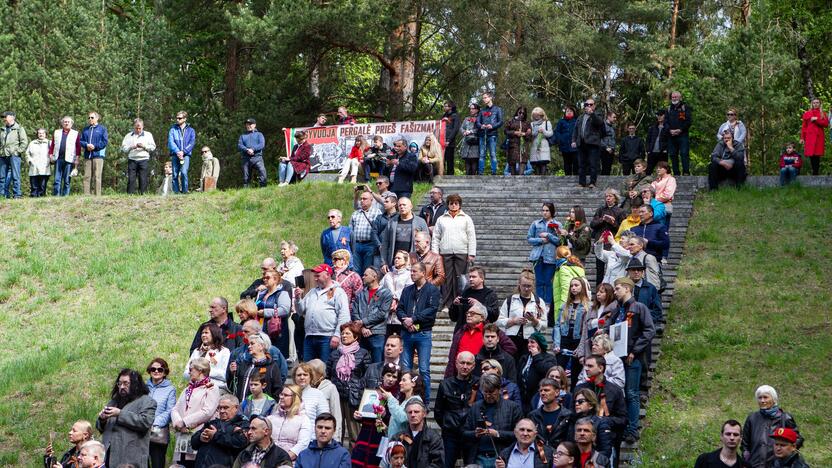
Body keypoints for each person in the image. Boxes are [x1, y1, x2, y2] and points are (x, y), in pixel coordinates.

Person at [603, 278, 655, 444]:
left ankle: (632, 429)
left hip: (633, 358)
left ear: (627, 289)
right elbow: (609, 328)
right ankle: (622, 426)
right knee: (620, 392)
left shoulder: (639, 307)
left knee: (631, 393)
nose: (615, 292)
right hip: (617, 357)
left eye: (617, 289)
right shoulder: (618, 310)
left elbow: (649, 330)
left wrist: (635, 350)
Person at [397, 262, 441, 402]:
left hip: (423, 333)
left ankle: (425, 400)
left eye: (415, 271)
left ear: (423, 273)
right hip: (407, 332)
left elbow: (432, 309)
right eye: (411, 271)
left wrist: (414, 319)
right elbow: (400, 309)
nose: (412, 273)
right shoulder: (407, 290)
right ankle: (405, 399)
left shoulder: (432, 290)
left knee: (423, 369)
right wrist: (405, 321)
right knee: (405, 368)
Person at [96, 369, 157, 468]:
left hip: (131, 459)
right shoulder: (114, 401)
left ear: (135, 385)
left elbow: (145, 422)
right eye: (119, 384)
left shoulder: (147, 401)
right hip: (108, 456)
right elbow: (100, 427)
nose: (122, 387)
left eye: (125, 383)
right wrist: (102, 419)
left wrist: (120, 413)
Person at [463, 373, 523, 466]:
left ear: (499, 390)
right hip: (478, 457)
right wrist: (475, 433)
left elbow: (520, 435)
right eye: (485, 392)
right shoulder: (475, 407)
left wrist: (497, 434)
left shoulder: (513, 407)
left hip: (501, 458)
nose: (487, 395)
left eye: (491, 392)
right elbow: (464, 432)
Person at [326, 321, 371, 442]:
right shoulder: (335, 354)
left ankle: (354, 459)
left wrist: (359, 391)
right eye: (342, 333)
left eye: (347, 333)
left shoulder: (363, 353)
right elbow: (328, 374)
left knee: (354, 433)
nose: (343, 336)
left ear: (355, 336)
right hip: (337, 395)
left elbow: (366, 376)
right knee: (336, 431)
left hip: (354, 396)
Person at [171, 357, 221, 466]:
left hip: (198, 435)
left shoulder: (212, 389)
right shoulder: (188, 389)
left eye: (191, 369)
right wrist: (178, 422)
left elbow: (207, 411)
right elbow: (175, 408)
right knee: (180, 464)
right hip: (182, 436)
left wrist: (185, 422)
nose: (189, 372)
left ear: (200, 370)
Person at [432, 193, 477, 310]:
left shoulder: (466, 218)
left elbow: (471, 236)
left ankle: (459, 302)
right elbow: (436, 237)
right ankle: (447, 304)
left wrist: (471, 253)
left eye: (456, 203)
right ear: (448, 205)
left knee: (460, 278)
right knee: (446, 279)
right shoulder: (441, 219)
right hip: (445, 253)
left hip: (461, 252)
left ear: (459, 205)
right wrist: (435, 254)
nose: (453, 205)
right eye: (451, 203)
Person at [741, 385, 802, 467]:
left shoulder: (785, 418)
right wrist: (746, 457)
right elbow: (745, 443)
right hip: (754, 464)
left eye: (765, 397)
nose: (762, 400)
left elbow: (797, 439)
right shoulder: (752, 418)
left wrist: (786, 456)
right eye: (760, 398)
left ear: (774, 399)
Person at [435, 351, 477, 468]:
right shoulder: (445, 384)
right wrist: (446, 424)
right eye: (462, 363)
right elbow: (438, 411)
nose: (465, 366)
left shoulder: (478, 384)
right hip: (450, 434)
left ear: (473, 366)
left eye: (468, 364)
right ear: (456, 364)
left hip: (471, 434)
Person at [497, 269, 546, 357]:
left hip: (530, 340)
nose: (526, 289)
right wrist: (514, 321)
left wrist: (534, 320)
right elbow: (499, 321)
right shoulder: (510, 300)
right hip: (511, 339)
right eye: (523, 286)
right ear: (519, 284)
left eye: (529, 286)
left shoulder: (539, 302)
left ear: (533, 285)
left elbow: (544, 325)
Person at [190, 394, 248, 468]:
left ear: (236, 408)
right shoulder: (212, 423)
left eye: (225, 407)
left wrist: (215, 435)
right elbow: (193, 443)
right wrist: (200, 438)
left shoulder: (243, 424)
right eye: (220, 408)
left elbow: (239, 442)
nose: (222, 411)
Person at [553, 277, 591, 387]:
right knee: (558, 371)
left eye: (576, 285)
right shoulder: (564, 305)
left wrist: (581, 347)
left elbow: (586, 329)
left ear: (582, 287)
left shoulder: (587, 306)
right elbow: (557, 325)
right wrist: (556, 343)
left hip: (578, 340)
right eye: (571, 285)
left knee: (576, 374)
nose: (573, 288)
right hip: (564, 340)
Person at [352, 266, 393, 363]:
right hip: (361, 333)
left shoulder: (386, 293)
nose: (363, 277)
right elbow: (355, 311)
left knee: (377, 363)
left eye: (365, 275)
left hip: (377, 333)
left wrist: (363, 322)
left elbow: (382, 313)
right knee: (360, 363)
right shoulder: (360, 294)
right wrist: (362, 328)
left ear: (374, 277)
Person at [228, 333, 283, 402]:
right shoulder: (244, 364)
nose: (249, 346)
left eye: (252, 344)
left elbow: (278, 390)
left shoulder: (272, 366)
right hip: (242, 407)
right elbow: (233, 387)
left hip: (261, 409)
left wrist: (270, 406)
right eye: (249, 344)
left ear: (261, 346)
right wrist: (232, 373)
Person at [388, 400, 444, 468]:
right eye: (410, 412)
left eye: (416, 412)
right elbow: (389, 461)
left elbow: (438, 464)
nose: (413, 415)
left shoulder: (434, 438)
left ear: (424, 414)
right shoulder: (397, 438)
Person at [266, 385, 312, 461]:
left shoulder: (304, 420)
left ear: (295, 398)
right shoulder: (270, 418)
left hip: (290, 463)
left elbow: (302, 445)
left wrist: (282, 460)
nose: (281, 397)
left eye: (286, 395)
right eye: (281, 394)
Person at [528, 203, 562, 307]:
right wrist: (541, 240)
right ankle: (538, 303)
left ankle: (547, 305)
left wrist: (549, 235)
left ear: (552, 212)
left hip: (551, 257)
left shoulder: (558, 224)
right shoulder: (536, 223)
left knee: (548, 282)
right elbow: (529, 238)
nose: (545, 212)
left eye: (547, 210)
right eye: (543, 210)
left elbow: (560, 241)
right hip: (538, 256)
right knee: (539, 281)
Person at [381, 197, 429, 271]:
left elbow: (427, 242)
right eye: (400, 205)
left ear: (411, 206)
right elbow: (385, 243)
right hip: (395, 262)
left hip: (413, 261)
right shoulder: (392, 222)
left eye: (404, 205)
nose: (402, 207)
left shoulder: (420, 222)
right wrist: (384, 262)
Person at [183, 323, 231, 393]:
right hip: (195, 388)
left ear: (214, 334)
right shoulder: (197, 351)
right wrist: (194, 373)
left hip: (216, 388)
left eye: (206, 333)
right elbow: (186, 373)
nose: (203, 335)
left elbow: (225, 374)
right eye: (202, 333)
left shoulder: (224, 351)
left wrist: (203, 372)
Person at [445, 303, 491, 375]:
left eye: (472, 313)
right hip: (459, 374)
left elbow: (509, 347)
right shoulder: (461, 331)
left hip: (480, 374)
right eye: (468, 313)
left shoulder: (490, 330)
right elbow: (452, 356)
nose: (469, 315)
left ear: (482, 317)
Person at [590, 189, 624, 286]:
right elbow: (592, 224)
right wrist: (603, 219)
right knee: (599, 269)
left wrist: (613, 223)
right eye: (606, 196)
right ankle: (598, 290)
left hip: (612, 244)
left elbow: (622, 229)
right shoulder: (600, 210)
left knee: (612, 268)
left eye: (610, 196)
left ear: (615, 198)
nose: (608, 198)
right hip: (600, 242)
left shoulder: (620, 211)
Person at [449, 266, 500, 331]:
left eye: (474, 277)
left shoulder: (490, 294)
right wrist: (454, 305)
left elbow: (494, 316)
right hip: (463, 331)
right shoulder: (464, 293)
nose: (470, 279)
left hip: (481, 332)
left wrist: (479, 305)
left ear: (482, 279)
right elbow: (454, 318)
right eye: (470, 277)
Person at [518, 333, 558, 412]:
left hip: (538, 397)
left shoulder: (549, 358)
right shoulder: (524, 358)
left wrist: (536, 356)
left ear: (539, 344)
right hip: (523, 399)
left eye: (532, 342)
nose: (529, 344)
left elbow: (546, 370)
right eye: (528, 342)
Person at [529, 378, 572, 449]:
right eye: (541, 391)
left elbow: (569, 441)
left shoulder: (567, 416)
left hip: (560, 455)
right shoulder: (533, 416)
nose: (542, 393)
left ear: (557, 392)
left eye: (546, 390)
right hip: (539, 456)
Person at [570, 99, 605, 188]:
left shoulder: (598, 114)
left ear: (594, 105)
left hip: (593, 143)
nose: (588, 106)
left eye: (591, 104)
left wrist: (592, 113)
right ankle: (582, 183)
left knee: (593, 164)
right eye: (586, 104)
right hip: (581, 144)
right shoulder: (580, 117)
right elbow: (575, 130)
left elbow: (599, 122)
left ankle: (592, 182)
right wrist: (574, 140)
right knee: (581, 164)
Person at [120, 118, 156, 194]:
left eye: (140, 128)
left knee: (143, 179)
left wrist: (144, 146)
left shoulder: (148, 135)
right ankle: (130, 194)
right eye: (136, 128)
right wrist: (131, 147)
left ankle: (143, 194)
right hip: (132, 159)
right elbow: (123, 148)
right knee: (131, 179)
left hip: (144, 159)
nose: (138, 130)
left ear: (143, 127)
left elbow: (153, 147)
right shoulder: (128, 136)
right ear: (134, 126)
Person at [380, 250, 413, 335]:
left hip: (402, 314)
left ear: (405, 261)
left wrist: (395, 299)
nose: (396, 260)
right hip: (387, 315)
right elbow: (380, 289)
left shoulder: (409, 275)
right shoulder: (388, 275)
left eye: (399, 258)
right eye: (395, 258)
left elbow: (409, 290)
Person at [552, 247, 586, 326]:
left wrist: (563, 311)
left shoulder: (563, 268)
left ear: (557, 256)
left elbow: (566, 289)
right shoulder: (578, 267)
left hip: (564, 308)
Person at [351, 190, 382, 274]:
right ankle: (357, 286)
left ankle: (366, 286)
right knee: (355, 270)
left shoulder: (377, 212)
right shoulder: (355, 213)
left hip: (370, 244)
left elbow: (379, 230)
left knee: (367, 269)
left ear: (371, 200)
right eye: (361, 199)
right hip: (356, 244)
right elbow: (350, 229)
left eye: (364, 199)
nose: (362, 200)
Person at [0, 111, 28, 199]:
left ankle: (17, 194)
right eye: (3, 117)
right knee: (2, 177)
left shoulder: (19, 128)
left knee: (16, 176)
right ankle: (2, 195)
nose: (4, 119)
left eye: (5, 117)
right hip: (3, 155)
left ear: (12, 117)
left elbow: (24, 142)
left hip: (14, 156)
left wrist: (17, 151)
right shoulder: (2, 129)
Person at [49, 117, 80, 197]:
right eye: (65, 122)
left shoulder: (75, 133)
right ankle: (56, 196)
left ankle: (65, 196)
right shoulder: (57, 132)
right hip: (58, 159)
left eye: (68, 122)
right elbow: (52, 145)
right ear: (62, 123)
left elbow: (78, 147)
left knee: (67, 180)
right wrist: (50, 155)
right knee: (57, 180)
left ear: (71, 124)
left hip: (69, 159)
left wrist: (77, 158)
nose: (66, 123)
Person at [626, 257, 663, 324]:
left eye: (639, 270)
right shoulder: (623, 288)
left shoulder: (651, 288)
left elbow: (657, 310)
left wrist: (648, 320)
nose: (636, 272)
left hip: (645, 324)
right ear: (628, 272)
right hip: (627, 323)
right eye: (633, 270)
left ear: (642, 272)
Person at [80, 111, 108, 196]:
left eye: (92, 117)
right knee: (87, 176)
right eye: (89, 118)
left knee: (97, 176)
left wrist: (94, 146)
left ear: (97, 118)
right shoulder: (85, 129)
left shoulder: (102, 129)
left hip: (98, 156)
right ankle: (86, 195)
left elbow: (104, 142)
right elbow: (80, 141)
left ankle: (97, 195)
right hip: (87, 156)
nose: (90, 119)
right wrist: (86, 145)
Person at [168, 111, 196, 194]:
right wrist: (177, 151)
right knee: (175, 174)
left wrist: (183, 152)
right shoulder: (173, 129)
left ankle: (185, 191)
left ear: (185, 119)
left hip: (186, 155)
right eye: (176, 118)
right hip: (175, 154)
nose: (177, 120)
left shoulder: (191, 130)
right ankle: (176, 192)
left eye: (179, 118)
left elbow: (192, 143)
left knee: (184, 172)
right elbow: (171, 142)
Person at [477, 91, 503, 175]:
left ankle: (494, 173)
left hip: (492, 135)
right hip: (482, 135)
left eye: (485, 97)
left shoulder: (497, 109)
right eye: (483, 98)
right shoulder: (482, 110)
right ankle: (480, 173)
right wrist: (481, 126)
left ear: (490, 97)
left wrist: (492, 126)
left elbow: (500, 121)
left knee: (493, 154)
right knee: (481, 155)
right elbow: (477, 122)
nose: (484, 99)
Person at [667, 91, 693, 175]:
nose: (674, 98)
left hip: (683, 135)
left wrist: (680, 130)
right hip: (671, 136)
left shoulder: (685, 107)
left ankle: (686, 172)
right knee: (673, 155)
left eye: (676, 97)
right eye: (673, 97)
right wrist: (670, 130)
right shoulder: (668, 108)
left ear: (680, 98)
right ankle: (676, 173)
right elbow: (665, 122)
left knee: (684, 153)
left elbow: (688, 121)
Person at [800, 97, 828, 175]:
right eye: (814, 103)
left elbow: (825, 124)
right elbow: (804, 127)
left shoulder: (823, 113)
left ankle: (816, 172)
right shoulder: (807, 113)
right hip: (809, 137)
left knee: (817, 155)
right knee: (811, 155)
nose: (815, 104)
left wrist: (816, 120)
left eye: (817, 103)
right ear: (812, 104)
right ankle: (814, 172)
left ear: (820, 104)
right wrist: (802, 137)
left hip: (819, 137)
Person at [237, 117, 267, 187]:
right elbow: (239, 145)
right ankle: (246, 192)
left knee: (262, 172)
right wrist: (247, 150)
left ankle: (263, 188)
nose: (248, 126)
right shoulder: (242, 136)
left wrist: (253, 149)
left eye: (250, 124)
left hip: (257, 157)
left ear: (254, 125)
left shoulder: (259, 134)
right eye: (247, 124)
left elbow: (262, 145)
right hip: (246, 158)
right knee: (246, 177)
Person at [505, 106, 532, 176]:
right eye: (520, 112)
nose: (521, 114)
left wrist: (526, 133)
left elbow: (529, 137)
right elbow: (506, 131)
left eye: (523, 113)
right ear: (517, 112)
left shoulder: (527, 123)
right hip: (513, 146)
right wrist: (514, 132)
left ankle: (521, 184)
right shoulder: (511, 121)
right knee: (512, 167)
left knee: (522, 170)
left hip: (523, 147)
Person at [528, 107, 554, 175]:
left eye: (538, 115)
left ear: (542, 115)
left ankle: (543, 180)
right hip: (534, 145)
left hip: (543, 144)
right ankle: (537, 181)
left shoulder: (546, 123)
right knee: (536, 163)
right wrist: (534, 132)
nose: (536, 116)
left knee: (543, 162)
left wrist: (543, 131)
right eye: (535, 115)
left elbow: (550, 133)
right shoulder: (531, 124)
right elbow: (530, 135)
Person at [25, 128, 50, 197]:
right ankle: (33, 197)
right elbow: (27, 153)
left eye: (42, 133)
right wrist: (29, 160)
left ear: (45, 134)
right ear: (37, 134)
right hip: (34, 166)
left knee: (42, 185)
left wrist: (50, 160)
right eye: (39, 133)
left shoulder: (49, 143)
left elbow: (52, 154)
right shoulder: (32, 143)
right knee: (34, 185)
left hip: (44, 167)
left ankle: (41, 197)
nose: (41, 134)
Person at [555, 105, 579, 176]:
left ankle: (576, 178)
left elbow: (579, 132)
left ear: (574, 112)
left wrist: (577, 141)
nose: (569, 112)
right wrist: (561, 139)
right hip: (564, 146)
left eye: (571, 111)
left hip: (575, 146)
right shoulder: (561, 121)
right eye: (567, 111)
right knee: (566, 163)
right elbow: (557, 132)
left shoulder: (577, 121)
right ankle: (567, 178)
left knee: (576, 163)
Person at [651, 161, 676, 227]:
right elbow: (650, 191)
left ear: (666, 169)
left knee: (661, 228)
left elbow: (667, 195)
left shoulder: (671, 179)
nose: (658, 169)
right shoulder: (656, 180)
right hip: (654, 207)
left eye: (660, 168)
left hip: (664, 207)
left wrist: (655, 199)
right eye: (657, 168)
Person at [645, 109, 670, 174]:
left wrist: (666, 149)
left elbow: (670, 140)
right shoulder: (653, 127)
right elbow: (648, 140)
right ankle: (647, 184)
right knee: (648, 171)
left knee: (664, 170)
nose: (659, 117)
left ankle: (666, 183)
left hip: (662, 152)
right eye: (658, 115)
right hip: (652, 152)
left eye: (661, 115)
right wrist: (648, 150)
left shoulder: (668, 127)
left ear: (664, 116)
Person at [461, 103, 482, 175]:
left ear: (477, 110)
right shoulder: (466, 119)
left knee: (474, 160)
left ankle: (473, 179)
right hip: (466, 142)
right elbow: (461, 128)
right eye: (470, 108)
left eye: (473, 108)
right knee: (467, 160)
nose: (471, 110)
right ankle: (467, 178)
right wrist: (464, 132)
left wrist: (471, 131)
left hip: (475, 142)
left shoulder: (480, 118)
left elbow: (479, 129)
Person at [442, 100, 461, 175]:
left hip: (450, 142)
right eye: (444, 106)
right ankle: (442, 174)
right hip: (442, 140)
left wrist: (449, 140)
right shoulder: (444, 116)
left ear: (450, 107)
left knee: (450, 160)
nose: (444, 107)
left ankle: (450, 176)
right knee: (442, 159)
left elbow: (455, 129)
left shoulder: (455, 116)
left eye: (446, 106)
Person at [600, 111, 617, 176]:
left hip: (611, 150)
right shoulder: (602, 125)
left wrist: (613, 148)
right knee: (604, 168)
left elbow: (613, 138)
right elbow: (599, 138)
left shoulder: (613, 127)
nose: (615, 119)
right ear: (609, 117)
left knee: (608, 168)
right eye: (614, 117)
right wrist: (606, 147)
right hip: (604, 150)